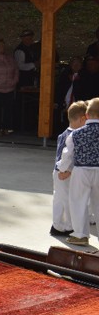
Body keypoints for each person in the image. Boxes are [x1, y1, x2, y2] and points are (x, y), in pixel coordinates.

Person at [57, 97, 99, 246]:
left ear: (86, 115)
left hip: (81, 170)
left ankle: (80, 235)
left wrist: (62, 168)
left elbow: (67, 154)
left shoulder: (75, 134)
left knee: (78, 201)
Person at [52, 100, 88, 238]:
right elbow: (66, 155)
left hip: (59, 170)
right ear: (81, 119)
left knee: (59, 198)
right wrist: (65, 170)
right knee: (68, 199)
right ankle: (67, 226)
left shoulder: (63, 134)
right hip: (64, 171)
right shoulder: (74, 136)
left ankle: (58, 224)